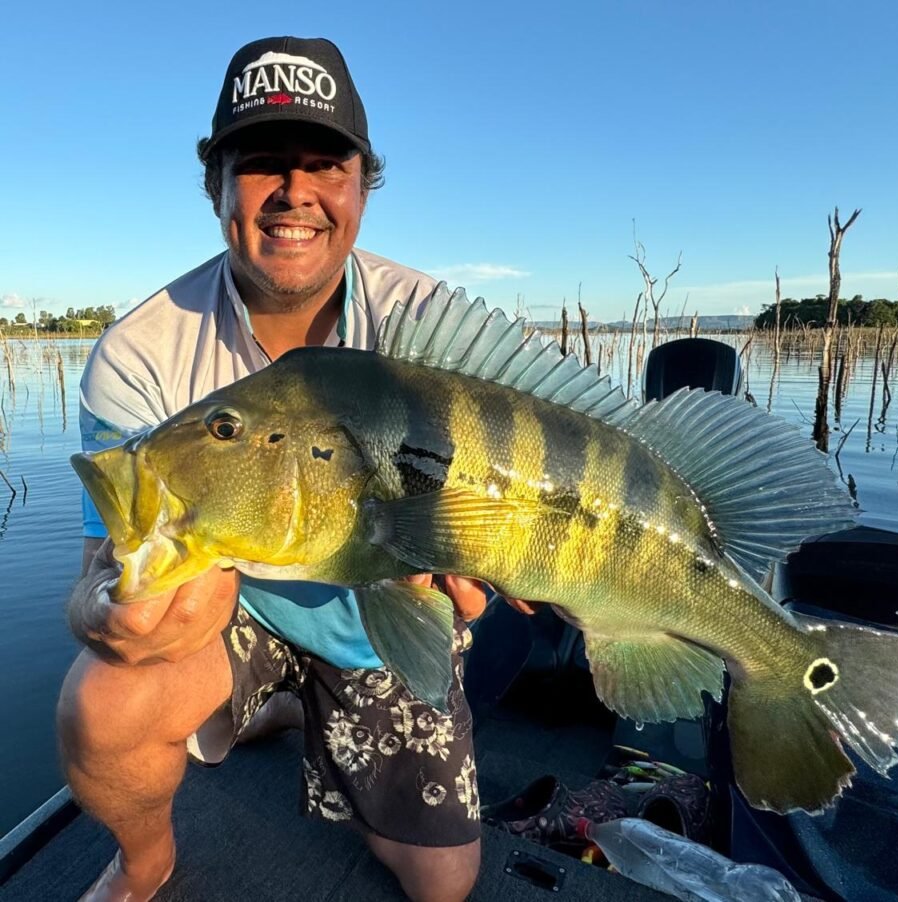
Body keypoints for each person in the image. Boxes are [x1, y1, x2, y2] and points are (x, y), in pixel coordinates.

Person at [58, 36, 496, 902]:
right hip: (233, 610)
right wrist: (106, 616)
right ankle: (145, 866)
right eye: (261, 164)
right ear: (215, 185)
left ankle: (295, 707)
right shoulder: (138, 355)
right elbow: (93, 579)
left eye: (326, 164)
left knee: (442, 884)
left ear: (362, 184)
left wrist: (491, 561)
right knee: (103, 704)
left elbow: (493, 518)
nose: (294, 193)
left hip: (383, 620)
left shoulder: (426, 331)